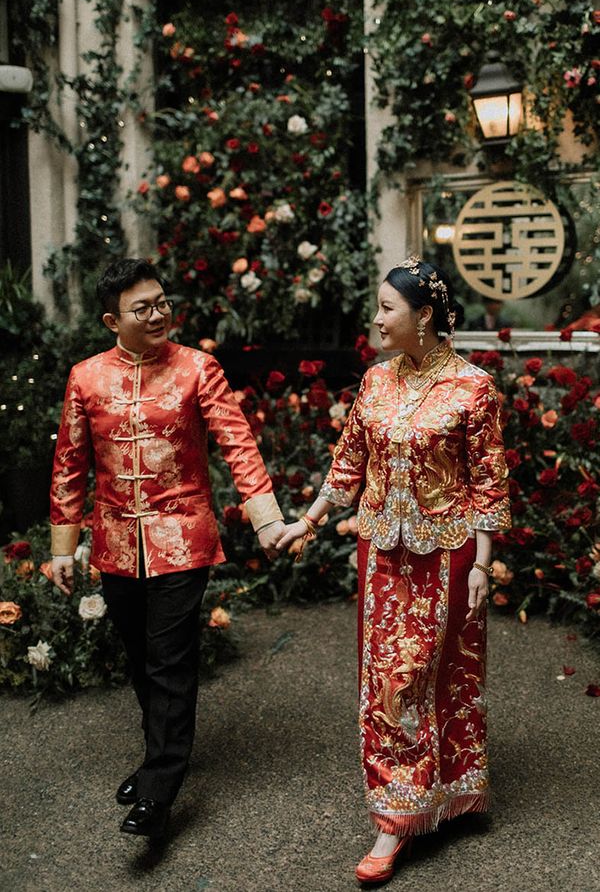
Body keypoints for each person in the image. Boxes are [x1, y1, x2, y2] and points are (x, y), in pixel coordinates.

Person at [277, 256, 511, 885]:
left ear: (424, 316)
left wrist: (484, 564)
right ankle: (395, 813)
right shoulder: (376, 382)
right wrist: (310, 519)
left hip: (450, 553)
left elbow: (489, 481)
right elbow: (349, 462)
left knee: (447, 671)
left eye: (387, 308)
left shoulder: (473, 388)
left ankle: (453, 787)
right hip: (383, 552)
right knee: (390, 677)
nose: (376, 319)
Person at [50, 258, 285, 839]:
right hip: (115, 542)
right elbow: (68, 466)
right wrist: (63, 546)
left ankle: (160, 788)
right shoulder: (86, 378)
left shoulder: (198, 369)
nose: (158, 314)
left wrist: (266, 521)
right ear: (113, 320)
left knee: (170, 659)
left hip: (183, 536)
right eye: (143, 307)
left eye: (162, 302)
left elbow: (239, 445)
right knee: (139, 658)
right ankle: (158, 754)